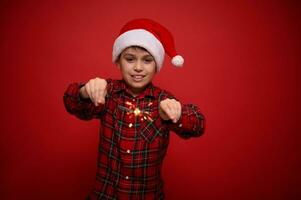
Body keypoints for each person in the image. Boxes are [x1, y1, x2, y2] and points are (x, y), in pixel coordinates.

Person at [63, 18, 205, 200]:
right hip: (105, 195)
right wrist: (84, 91)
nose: (138, 68)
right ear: (118, 62)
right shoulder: (107, 92)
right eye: (130, 59)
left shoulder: (163, 101)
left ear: (157, 66)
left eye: (147, 60)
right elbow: (71, 102)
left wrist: (176, 115)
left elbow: (198, 124)